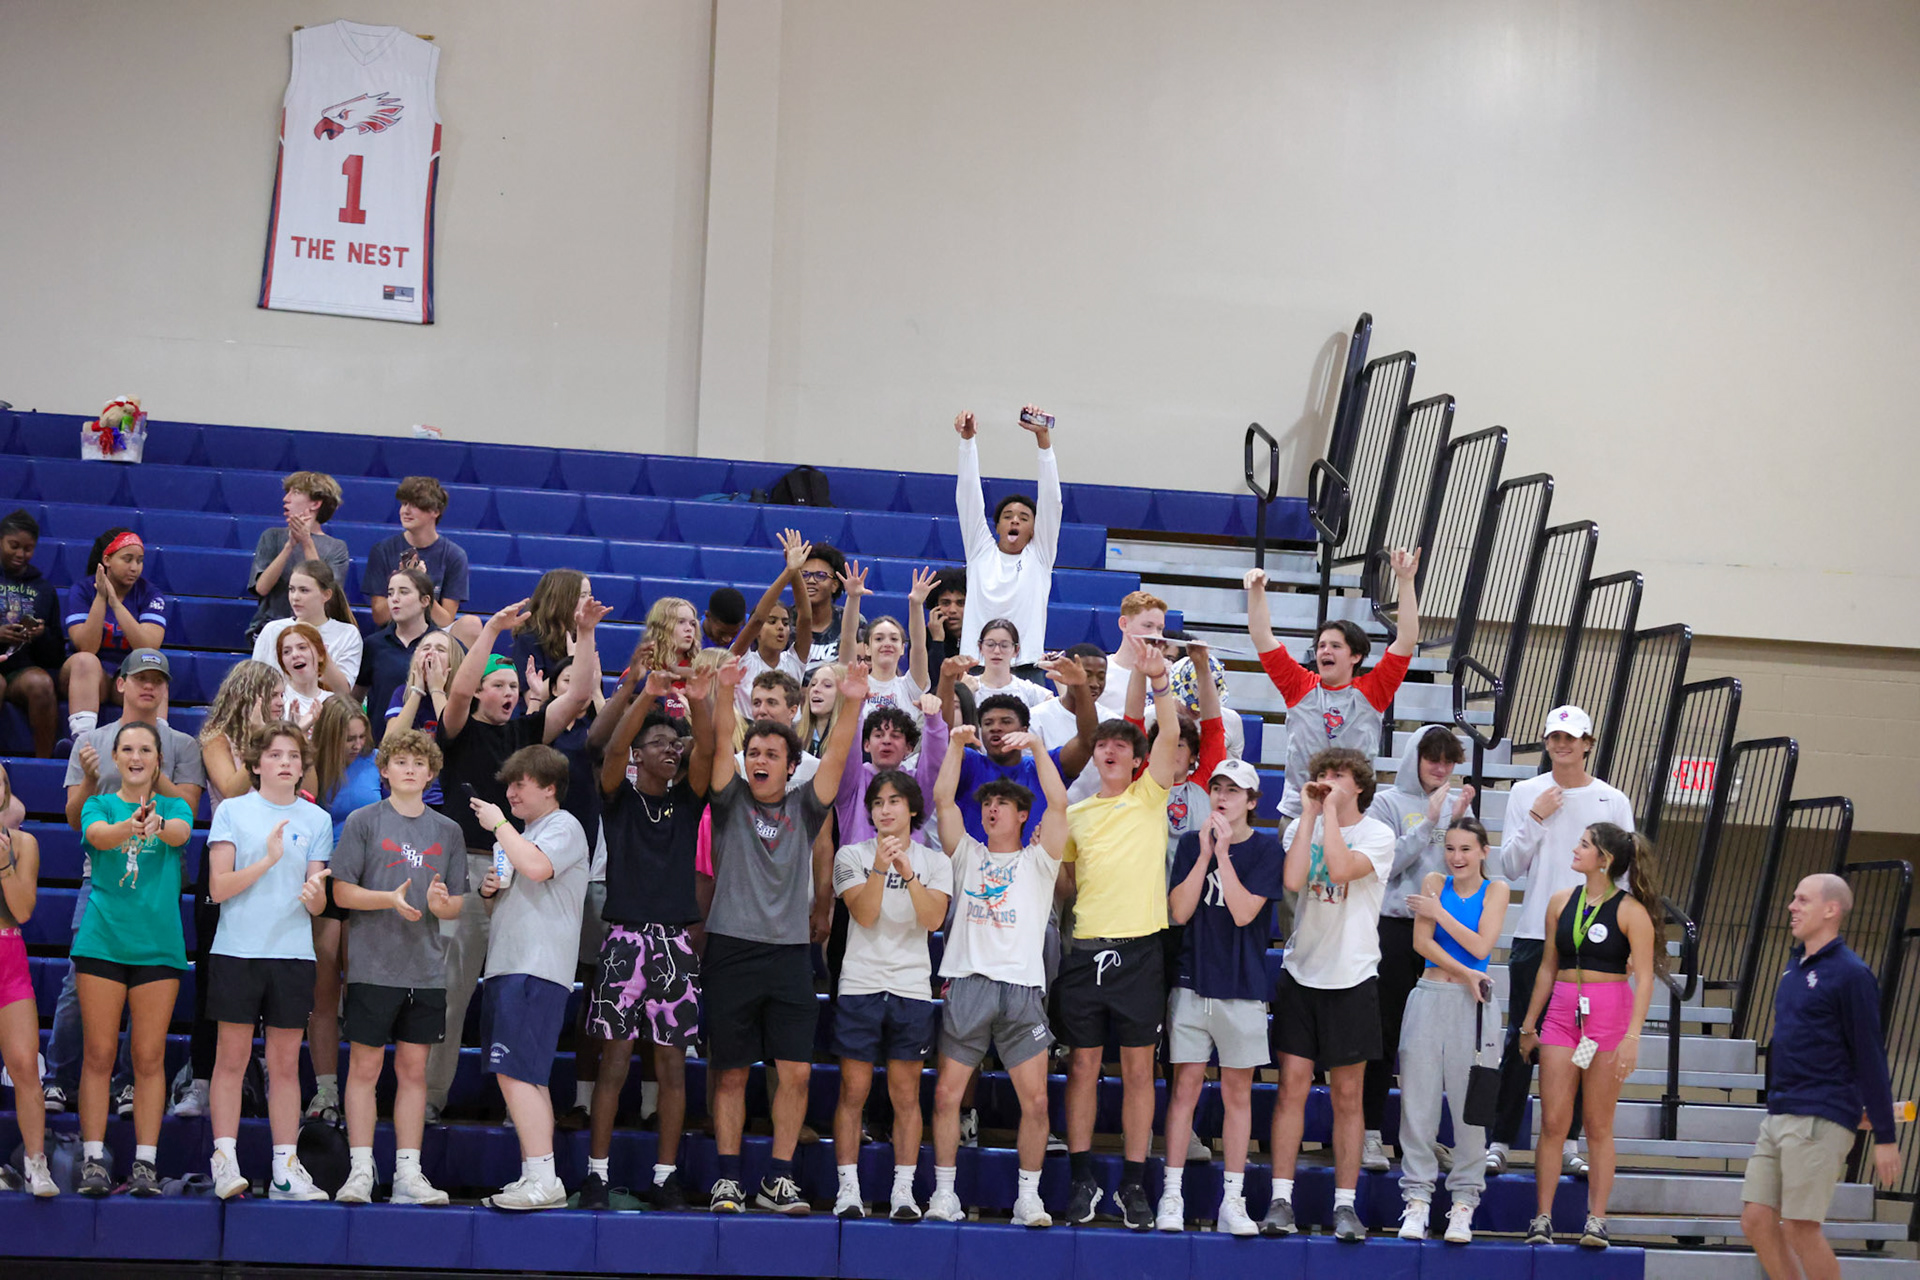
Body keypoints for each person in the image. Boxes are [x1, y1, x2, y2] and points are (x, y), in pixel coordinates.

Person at [424, 594, 604, 1120]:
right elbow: (456, 690)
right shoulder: (458, 730)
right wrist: (493, 630)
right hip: (467, 866)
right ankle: (434, 1098)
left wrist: (588, 635)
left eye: (511, 686)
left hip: (521, 867)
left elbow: (577, 699)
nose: (506, 693)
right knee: (454, 995)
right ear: (480, 690)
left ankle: (519, 1100)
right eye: (496, 686)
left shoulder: (526, 733)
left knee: (514, 994)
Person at [702, 657, 866, 1215]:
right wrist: (726, 694)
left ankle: (778, 1178)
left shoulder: (807, 805)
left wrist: (855, 700)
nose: (760, 760)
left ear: (791, 766)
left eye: (772, 754)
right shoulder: (728, 802)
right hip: (730, 947)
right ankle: (727, 1178)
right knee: (728, 1072)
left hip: (792, 954)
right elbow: (722, 740)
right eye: (755, 754)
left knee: (794, 1072)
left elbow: (840, 753)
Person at [45, 650, 204, 1122]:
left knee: (147, 985)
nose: (149, 688)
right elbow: (76, 820)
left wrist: (155, 774)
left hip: (159, 877)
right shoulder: (92, 742)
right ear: (121, 685)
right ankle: (59, 1077)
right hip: (102, 877)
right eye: (141, 679)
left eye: (158, 681)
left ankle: (129, 1082)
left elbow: (188, 812)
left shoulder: (182, 744)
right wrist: (96, 777)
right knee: (81, 981)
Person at [1057, 638, 1183, 1229]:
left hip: (1140, 952)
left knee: (1138, 1070)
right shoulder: (1075, 814)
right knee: (1082, 1067)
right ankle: (1081, 1180)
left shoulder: (1151, 796)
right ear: (1094, 756)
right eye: (1101, 744)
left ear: (1136, 760)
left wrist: (1158, 682)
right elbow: (1064, 880)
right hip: (1085, 951)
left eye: (1119, 745)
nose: (1109, 749)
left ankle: (1133, 1185)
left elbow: (1168, 736)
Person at [579, 673, 716, 1211]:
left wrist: (698, 702)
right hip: (624, 940)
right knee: (613, 1063)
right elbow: (612, 746)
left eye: (673, 744)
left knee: (672, 1067)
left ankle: (664, 1178)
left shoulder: (688, 802)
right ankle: (596, 1175)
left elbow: (705, 745)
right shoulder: (619, 797)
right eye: (658, 743)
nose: (670, 750)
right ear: (638, 755)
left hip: (675, 943)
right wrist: (646, 694)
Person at [926, 725, 1068, 1227]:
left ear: (1022, 814)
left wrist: (1035, 746)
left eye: (1003, 804)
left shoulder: (1040, 861)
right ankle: (945, 1194)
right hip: (967, 983)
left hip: (1022, 990)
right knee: (946, 1095)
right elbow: (943, 799)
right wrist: (958, 745)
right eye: (987, 804)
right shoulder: (966, 854)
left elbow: (1060, 802)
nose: (991, 810)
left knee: (1036, 1100)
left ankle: (1028, 1197)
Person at [1487, 705, 1634, 1177]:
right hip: (1535, 933)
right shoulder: (1526, 792)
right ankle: (1501, 1139)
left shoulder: (1613, 799)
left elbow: (1625, 876)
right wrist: (1535, 815)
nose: (1561, 744)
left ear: (1588, 742)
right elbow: (1508, 866)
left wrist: (1624, 943)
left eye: (1571, 737)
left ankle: (1568, 1139)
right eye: (1554, 737)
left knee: (1582, 1041)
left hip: (1593, 944)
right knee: (1521, 1037)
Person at [326, 729, 466, 1206]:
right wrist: (387, 898)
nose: (410, 769)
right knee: (365, 1068)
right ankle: (361, 1170)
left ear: (431, 774)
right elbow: (340, 892)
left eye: (419, 763)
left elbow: (454, 907)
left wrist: (439, 903)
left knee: (413, 1072)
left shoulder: (448, 831)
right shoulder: (365, 821)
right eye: (400, 761)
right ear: (384, 770)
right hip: (371, 967)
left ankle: (409, 1173)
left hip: (424, 970)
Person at [1740, 873, 1903, 1280]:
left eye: (1803, 900)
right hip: (1780, 1111)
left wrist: (1885, 1135)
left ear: (1831, 910)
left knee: (1799, 1226)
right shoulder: (1793, 969)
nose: (1792, 906)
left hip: (1818, 1117)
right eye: (1793, 898)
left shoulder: (1851, 974)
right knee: (1757, 1219)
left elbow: (1869, 1055)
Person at [1264, 747, 1396, 1242]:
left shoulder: (1379, 835)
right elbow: (1294, 880)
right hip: (1301, 975)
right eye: (1320, 775)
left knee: (1347, 1096)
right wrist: (1310, 815)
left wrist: (1331, 817)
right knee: (1291, 1087)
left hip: (1353, 978)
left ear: (1358, 784)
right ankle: (1281, 1198)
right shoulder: (1308, 824)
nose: (1326, 782)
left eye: (1337, 776)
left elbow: (1339, 870)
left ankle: (1345, 1205)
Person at [205, 720, 336, 1200]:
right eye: (277, 755)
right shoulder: (234, 812)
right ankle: (225, 1160)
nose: (286, 763)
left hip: (292, 954)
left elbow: (318, 901)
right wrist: (268, 860)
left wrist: (314, 896)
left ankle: (285, 1168)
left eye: (294, 757)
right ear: (257, 764)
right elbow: (218, 888)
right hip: (238, 950)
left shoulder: (316, 820)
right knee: (232, 1060)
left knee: (284, 1064)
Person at [1518, 823, 1665, 1250]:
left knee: (1598, 1125)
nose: (1576, 849)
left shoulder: (1630, 911)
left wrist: (1633, 1036)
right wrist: (1530, 1024)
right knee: (1552, 1122)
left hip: (1607, 1016)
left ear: (1606, 859)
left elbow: (1645, 978)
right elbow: (1548, 966)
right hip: (1563, 1012)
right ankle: (1541, 1217)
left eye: (1584, 844)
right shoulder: (1561, 901)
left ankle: (1596, 1220)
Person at [1157, 760, 1284, 1236]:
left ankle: (1233, 1200)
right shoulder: (1192, 843)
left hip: (1244, 989)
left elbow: (1245, 912)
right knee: (1184, 1088)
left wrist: (1225, 856)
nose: (1223, 797)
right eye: (1217, 788)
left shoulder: (1267, 850)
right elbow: (1180, 910)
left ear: (1253, 801)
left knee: (1237, 1094)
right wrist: (1206, 854)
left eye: (1235, 790)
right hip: (1192, 983)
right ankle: (1172, 1195)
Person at [70, 722, 195, 1196]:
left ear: (158, 759)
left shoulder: (174, 806)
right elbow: (99, 836)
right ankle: (94, 1159)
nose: (137, 756)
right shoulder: (99, 803)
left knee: (149, 1056)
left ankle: (146, 1162)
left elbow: (181, 834)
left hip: (158, 947)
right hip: (103, 942)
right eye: (128, 749)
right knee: (99, 1055)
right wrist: (131, 826)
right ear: (116, 758)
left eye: (146, 749)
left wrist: (157, 824)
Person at [468, 744, 591, 1211]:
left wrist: (499, 823)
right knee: (525, 1077)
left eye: (522, 783)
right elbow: (511, 892)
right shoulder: (516, 838)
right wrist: (488, 891)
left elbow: (538, 868)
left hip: (536, 968)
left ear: (550, 787)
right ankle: (535, 1176)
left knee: (515, 1074)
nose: (512, 792)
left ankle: (545, 1178)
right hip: (508, 964)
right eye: (510, 783)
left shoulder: (565, 826)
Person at [830, 773, 953, 1220]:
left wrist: (907, 871)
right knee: (853, 1090)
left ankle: (903, 1190)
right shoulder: (850, 855)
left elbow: (933, 919)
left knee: (906, 1095)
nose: (885, 810)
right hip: (860, 985)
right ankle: (848, 1190)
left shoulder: (936, 862)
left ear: (912, 809)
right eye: (878, 802)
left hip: (911, 988)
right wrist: (882, 866)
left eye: (894, 801)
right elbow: (863, 914)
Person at [1361, 724, 1473, 1171]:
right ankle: (1370, 1134)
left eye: (1447, 761)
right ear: (1415, 757)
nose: (1440, 768)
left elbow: (1462, 869)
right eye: (1433, 759)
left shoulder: (1453, 806)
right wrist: (1430, 820)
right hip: (1392, 928)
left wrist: (1459, 823)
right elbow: (1385, 867)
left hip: (1438, 935)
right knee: (1384, 1035)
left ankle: (1419, 1139)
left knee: (1430, 1044)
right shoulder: (1387, 803)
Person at [176, 660, 284, 1119]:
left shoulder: (286, 737)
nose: (283, 702)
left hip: (276, 855)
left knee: (268, 969)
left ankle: (254, 1073)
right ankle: (202, 1079)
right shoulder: (216, 738)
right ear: (253, 695)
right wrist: (263, 740)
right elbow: (232, 788)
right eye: (274, 695)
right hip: (226, 852)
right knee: (213, 971)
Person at [1396, 817, 1509, 1243]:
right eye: (1451, 849)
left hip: (1474, 1007)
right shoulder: (1433, 879)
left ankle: (1463, 1203)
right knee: (1418, 1105)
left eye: (1466, 849)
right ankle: (1418, 1200)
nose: (1456, 857)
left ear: (1483, 851)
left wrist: (1439, 912)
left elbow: (1483, 945)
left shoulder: (1495, 889)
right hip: (1430, 995)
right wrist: (1466, 974)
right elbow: (1421, 944)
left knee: (1471, 1108)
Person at [1245, 550, 1420, 820]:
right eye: (1321, 645)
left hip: (1352, 814)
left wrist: (1405, 581)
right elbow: (1261, 636)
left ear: (1355, 656)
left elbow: (1406, 640)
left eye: (1336, 646)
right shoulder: (1299, 685)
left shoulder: (1373, 691)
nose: (1325, 651)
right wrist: (1256, 591)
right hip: (1300, 812)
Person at [302, 699, 381, 1121]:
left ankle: (360, 1089)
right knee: (324, 990)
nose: (356, 745)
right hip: (326, 881)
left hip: (367, 883)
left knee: (363, 990)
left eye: (360, 737)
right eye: (347, 738)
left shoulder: (375, 763)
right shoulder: (313, 763)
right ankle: (326, 1089)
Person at [951, 657, 1098, 845]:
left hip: (1032, 870)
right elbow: (940, 743)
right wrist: (947, 681)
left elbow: (1087, 741)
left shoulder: (1045, 767)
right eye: (988, 723)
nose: (995, 728)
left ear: (1024, 730)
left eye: (1005, 722)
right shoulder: (969, 764)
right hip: (976, 871)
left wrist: (1081, 687)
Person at [953, 407, 1059, 667]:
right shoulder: (980, 551)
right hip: (975, 666)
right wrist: (967, 442)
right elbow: (967, 495)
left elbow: (1051, 501)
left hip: (1025, 667)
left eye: (1024, 518)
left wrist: (1043, 440)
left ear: (1034, 530)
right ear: (997, 527)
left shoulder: (1040, 556)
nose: (1014, 520)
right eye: (1008, 516)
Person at [0, 768, 55, 1195]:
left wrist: (3, 864)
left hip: (9, 954)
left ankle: (36, 1164)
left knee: (24, 1065)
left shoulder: (24, 844)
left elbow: (22, 911)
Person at [60, 528, 167, 740]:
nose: (135, 567)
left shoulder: (150, 593)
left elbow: (148, 647)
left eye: (139, 560)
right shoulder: (82, 590)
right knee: (85, 660)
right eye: (127, 559)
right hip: (87, 678)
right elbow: (87, 647)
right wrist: (101, 597)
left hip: (125, 676)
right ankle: (82, 742)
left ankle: (157, 742)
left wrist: (115, 604)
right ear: (107, 560)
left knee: (153, 665)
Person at [246, 470, 350, 642]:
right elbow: (261, 588)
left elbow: (327, 594)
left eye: (295, 492)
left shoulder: (336, 547)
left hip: (315, 630)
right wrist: (289, 546)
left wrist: (306, 541)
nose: (286, 499)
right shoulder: (272, 536)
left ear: (316, 503)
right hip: (270, 626)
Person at [364, 476, 470, 636]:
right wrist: (403, 580)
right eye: (404, 504)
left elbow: (445, 621)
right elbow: (380, 617)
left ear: (435, 511)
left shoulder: (454, 555)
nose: (405, 511)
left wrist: (420, 584)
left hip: (432, 638)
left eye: (415, 505)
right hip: (392, 635)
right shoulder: (382, 550)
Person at [725, 529, 815, 715]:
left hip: (790, 738)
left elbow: (805, 618)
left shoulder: (793, 662)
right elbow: (757, 619)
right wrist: (788, 571)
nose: (780, 627)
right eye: (772, 621)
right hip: (750, 737)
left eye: (785, 622)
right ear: (758, 632)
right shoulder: (742, 659)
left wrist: (795, 570)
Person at [835, 562, 933, 731]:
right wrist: (853, 598)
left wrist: (916, 605)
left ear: (902, 648)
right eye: (879, 639)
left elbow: (918, 645)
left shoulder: (910, 686)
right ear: (866, 648)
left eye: (894, 639)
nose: (887, 643)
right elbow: (848, 638)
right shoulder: (855, 681)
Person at [0, 509, 64, 757]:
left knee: (42, 684)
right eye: (13, 545)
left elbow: (56, 655)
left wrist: (41, 634)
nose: (20, 554)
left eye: (27, 548)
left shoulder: (44, 589)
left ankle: (43, 763)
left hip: (21, 669)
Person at [252, 560, 363, 695]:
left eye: (304, 590)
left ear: (326, 595)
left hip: (325, 712)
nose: (295, 597)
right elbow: (256, 684)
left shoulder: (347, 633)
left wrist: (319, 651)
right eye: (291, 589)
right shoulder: (272, 630)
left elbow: (343, 692)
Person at [360, 567, 442, 728]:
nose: (394, 599)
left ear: (425, 601)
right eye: (390, 593)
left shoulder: (444, 644)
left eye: (404, 592)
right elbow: (355, 698)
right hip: (382, 743)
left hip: (430, 744)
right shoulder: (373, 644)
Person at [1094, 592, 1169, 717]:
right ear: (1124, 624)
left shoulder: (1166, 674)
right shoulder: (1102, 671)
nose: (1156, 635)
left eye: (1160, 628)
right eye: (1148, 626)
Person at [1028, 644, 1107, 750]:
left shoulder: (1111, 722)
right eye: (1086, 675)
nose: (1095, 684)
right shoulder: (1035, 719)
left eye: (1101, 677)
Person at [968, 619, 1050, 708]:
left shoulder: (1028, 691)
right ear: (980, 648)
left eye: (1004, 645)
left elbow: (1061, 710)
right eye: (990, 644)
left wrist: (1056, 674)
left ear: (1016, 650)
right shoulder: (969, 687)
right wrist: (965, 693)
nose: (997, 651)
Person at [273, 622, 338, 726]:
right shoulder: (278, 701)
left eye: (302, 647)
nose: (295, 655)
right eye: (286, 652)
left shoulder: (334, 704)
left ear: (320, 654)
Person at [798, 542, 849, 663]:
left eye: (820, 575)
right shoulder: (784, 621)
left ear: (835, 585)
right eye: (804, 575)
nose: (810, 580)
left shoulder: (851, 621)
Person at [922, 569, 968, 670]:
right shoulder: (923, 638)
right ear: (935, 606)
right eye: (946, 603)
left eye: (961, 603)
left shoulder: (985, 638)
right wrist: (937, 641)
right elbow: (932, 681)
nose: (952, 610)